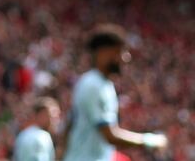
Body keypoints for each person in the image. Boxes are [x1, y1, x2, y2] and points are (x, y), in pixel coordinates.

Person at [63, 24, 168, 161]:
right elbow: (110, 135)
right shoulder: (95, 85)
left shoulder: (98, 83)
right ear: (103, 53)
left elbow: (69, 126)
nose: (126, 57)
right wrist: (149, 140)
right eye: (120, 51)